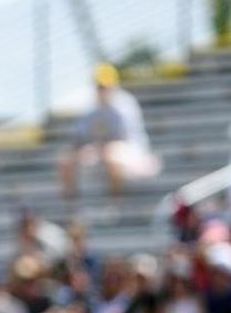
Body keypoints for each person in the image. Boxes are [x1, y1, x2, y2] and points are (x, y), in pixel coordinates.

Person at [58, 63, 160, 210]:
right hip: (102, 151)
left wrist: (97, 147)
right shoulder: (91, 105)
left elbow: (122, 138)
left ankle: (116, 205)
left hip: (133, 152)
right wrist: (82, 150)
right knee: (66, 159)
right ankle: (71, 208)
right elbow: (80, 137)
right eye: (100, 86)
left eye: (105, 86)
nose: (103, 90)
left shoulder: (125, 104)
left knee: (111, 154)